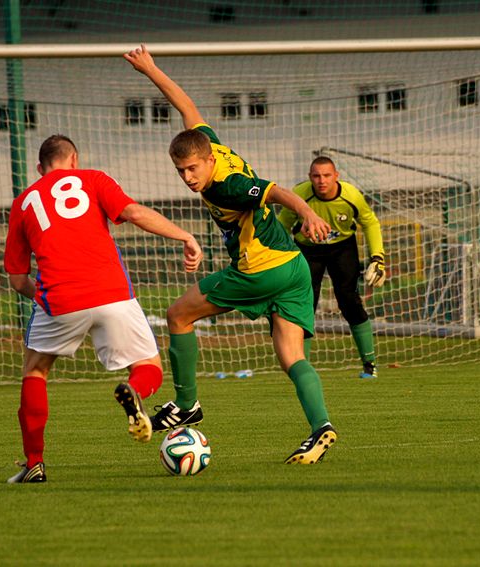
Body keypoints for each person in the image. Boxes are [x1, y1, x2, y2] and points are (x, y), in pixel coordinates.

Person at [124, 44, 337, 465]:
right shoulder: (210, 145)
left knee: (178, 315)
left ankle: (187, 404)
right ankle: (321, 428)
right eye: (181, 171)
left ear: (207, 161)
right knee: (292, 357)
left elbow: (275, 191)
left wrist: (309, 211)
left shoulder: (227, 185)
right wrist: (151, 69)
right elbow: (186, 106)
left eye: (192, 170)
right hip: (293, 267)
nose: (188, 178)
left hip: (259, 270)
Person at [3, 134, 203, 483]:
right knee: (148, 366)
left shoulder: (23, 203)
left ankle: (34, 462)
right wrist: (184, 236)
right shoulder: (93, 179)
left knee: (35, 372)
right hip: (112, 293)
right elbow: (134, 212)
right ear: (74, 160)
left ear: (40, 168)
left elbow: (18, 280)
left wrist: (50, 297)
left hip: (59, 298)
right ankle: (136, 393)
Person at [277, 157, 387, 379]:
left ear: (336, 176)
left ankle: (369, 364)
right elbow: (282, 226)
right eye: (316, 176)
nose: (321, 181)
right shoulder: (299, 194)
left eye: (326, 175)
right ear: (310, 178)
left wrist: (378, 257)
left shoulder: (351, 195)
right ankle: (300, 367)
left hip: (342, 249)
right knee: (304, 305)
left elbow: (370, 222)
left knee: (349, 301)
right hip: (307, 250)